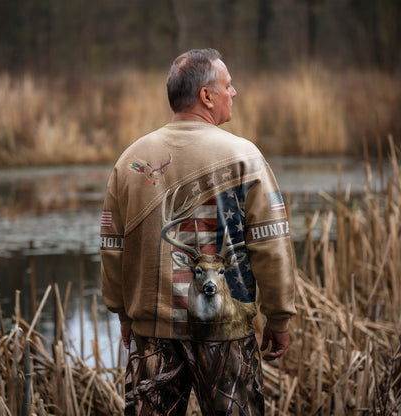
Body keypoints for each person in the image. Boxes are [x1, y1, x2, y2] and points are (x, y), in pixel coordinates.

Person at [100, 48, 296, 415]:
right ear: (206, 96)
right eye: (228, 85)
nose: (234, 93)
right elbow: (271, 244)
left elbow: (112, 247)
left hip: (152, 335)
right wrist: (279, 316)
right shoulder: (245, 156)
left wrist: (124, 314)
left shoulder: (130, 160)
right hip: (227, 334)